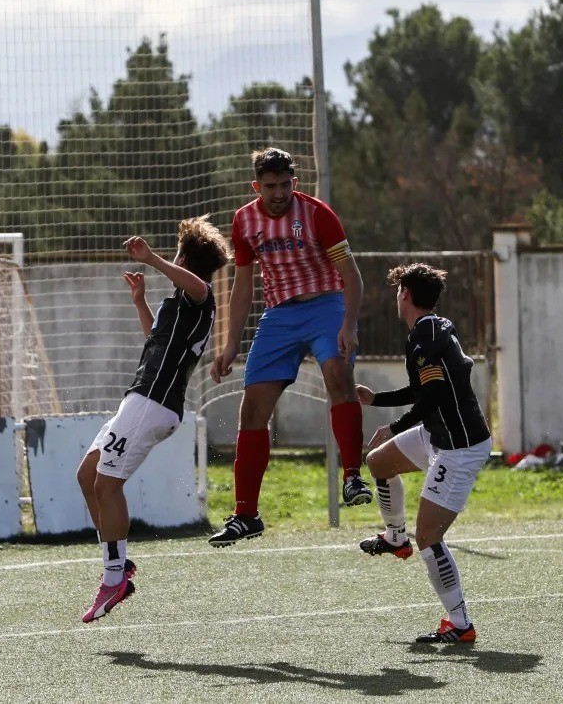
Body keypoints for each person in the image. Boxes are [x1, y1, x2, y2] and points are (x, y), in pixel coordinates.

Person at [208, 148, 370, 548]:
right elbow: (243, 286)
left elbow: (352, 276)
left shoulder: (318, 214)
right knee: (252, 408)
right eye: (270, 186)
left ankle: (352, 476)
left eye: (284, 185)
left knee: (337, 373)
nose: (278, 193)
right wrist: (230, 344)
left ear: (294, 183)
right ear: (256, 186)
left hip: (327, 303)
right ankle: (246, 514)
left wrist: (348, 325)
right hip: (280, 315)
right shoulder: (244, 220)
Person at [76, 217, 231, 622]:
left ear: (184, 259)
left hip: (153, 402)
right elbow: (155, 341)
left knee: (107, 486)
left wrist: (152, 258)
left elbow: (198, 286)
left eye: (176, 254)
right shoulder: (172, 305)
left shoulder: (200, 297)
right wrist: (141, 301)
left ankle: (115, 578)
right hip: (140, 400)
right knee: (87, 475)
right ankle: (119, 564)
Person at [355, 263, 492, 643]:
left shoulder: (425, 334)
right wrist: (377, 400)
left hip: (460, 447)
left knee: (429, 537)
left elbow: (432, 394)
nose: (395, 298)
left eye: (398, 291)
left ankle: (461, 625)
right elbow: (426, 389)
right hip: (438, 434)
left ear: (405, 295)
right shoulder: (429, 329)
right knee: (379, 462)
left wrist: (394, 426)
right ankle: (395, 538)